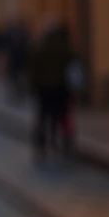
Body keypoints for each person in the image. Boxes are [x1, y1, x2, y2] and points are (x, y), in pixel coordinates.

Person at [26, 20, 74, 157]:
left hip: (43, 88)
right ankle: (59, 139)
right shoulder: (67, 48)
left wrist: (32, 85)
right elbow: (74, 67)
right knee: (61, 114)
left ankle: (41, 139)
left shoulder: (39, 48)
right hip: (62, 88)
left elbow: (32, 68)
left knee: (42, 115)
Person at [4, 19, 31, 103]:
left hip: (18, 59)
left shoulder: (19, 35)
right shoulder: (25, 35)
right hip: (19, 59)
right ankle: (19, 91)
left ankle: (19, 91)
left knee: (16, 75)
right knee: (17, 75)